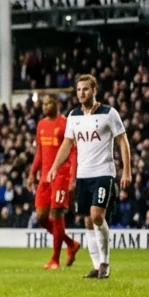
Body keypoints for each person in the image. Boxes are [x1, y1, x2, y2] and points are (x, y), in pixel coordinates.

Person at [48, 74, 131, 280]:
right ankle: (96, 266)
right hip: (83, 174)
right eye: (78, 90)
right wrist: (54, 167)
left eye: (85, 89)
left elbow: (122, 141)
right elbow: (67, 144)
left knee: (96, 216)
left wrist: (127, 171)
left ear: (94, 90)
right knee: (86, 221)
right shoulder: (74, 116)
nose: (81, 93)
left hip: (103, 173)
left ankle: (105, 263)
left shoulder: (109, 113)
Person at [28, 95, 81, 269]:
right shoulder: (41, 125)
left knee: (56, 214)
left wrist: (73, 177)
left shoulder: (65, 124)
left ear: (57, 105)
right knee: (41, 217)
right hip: (44, 177)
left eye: (49, 103)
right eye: (43, 104)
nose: (45, 106)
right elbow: (39, 153)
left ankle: (55, 259)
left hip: (61, 175)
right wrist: (32, 173)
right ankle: (70, 243)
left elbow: (73, 152)